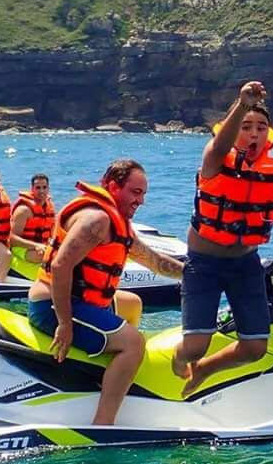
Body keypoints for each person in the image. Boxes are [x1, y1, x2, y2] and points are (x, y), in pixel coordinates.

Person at [171, 80, 273, 396]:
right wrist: (241, 104)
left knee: (255, 348)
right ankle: (182, 356)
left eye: (261, 127)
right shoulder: (215, 156)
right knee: (196, 346)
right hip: (205, 263)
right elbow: (222, 145)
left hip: (245, 263)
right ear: (234, 125)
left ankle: (205, 370)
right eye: (246, 126)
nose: (254, 133)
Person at [27, 159, 185, 427]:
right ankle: (104, 422)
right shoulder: (97, 220)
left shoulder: (116, 221)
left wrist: (195, 274)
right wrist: (65, 324)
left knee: (132, 304)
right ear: (113, 186)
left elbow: (154, 261)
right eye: (136, 193)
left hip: (81, 301)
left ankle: (114, 371)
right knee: (134, 343)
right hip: (53, 305)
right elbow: (60, 265)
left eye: (144, 194)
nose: (141, 201)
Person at [9, 173, 55, 264]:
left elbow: (52, 233)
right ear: (32, 189)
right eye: (38, 188)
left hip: (42, 247)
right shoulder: (23, 210)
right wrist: (36, 245)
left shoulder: (49, 208)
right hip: (21, 248)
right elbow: (11, 239)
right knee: (46, 256)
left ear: (48, 189)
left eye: (44, 187)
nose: (41, 191)